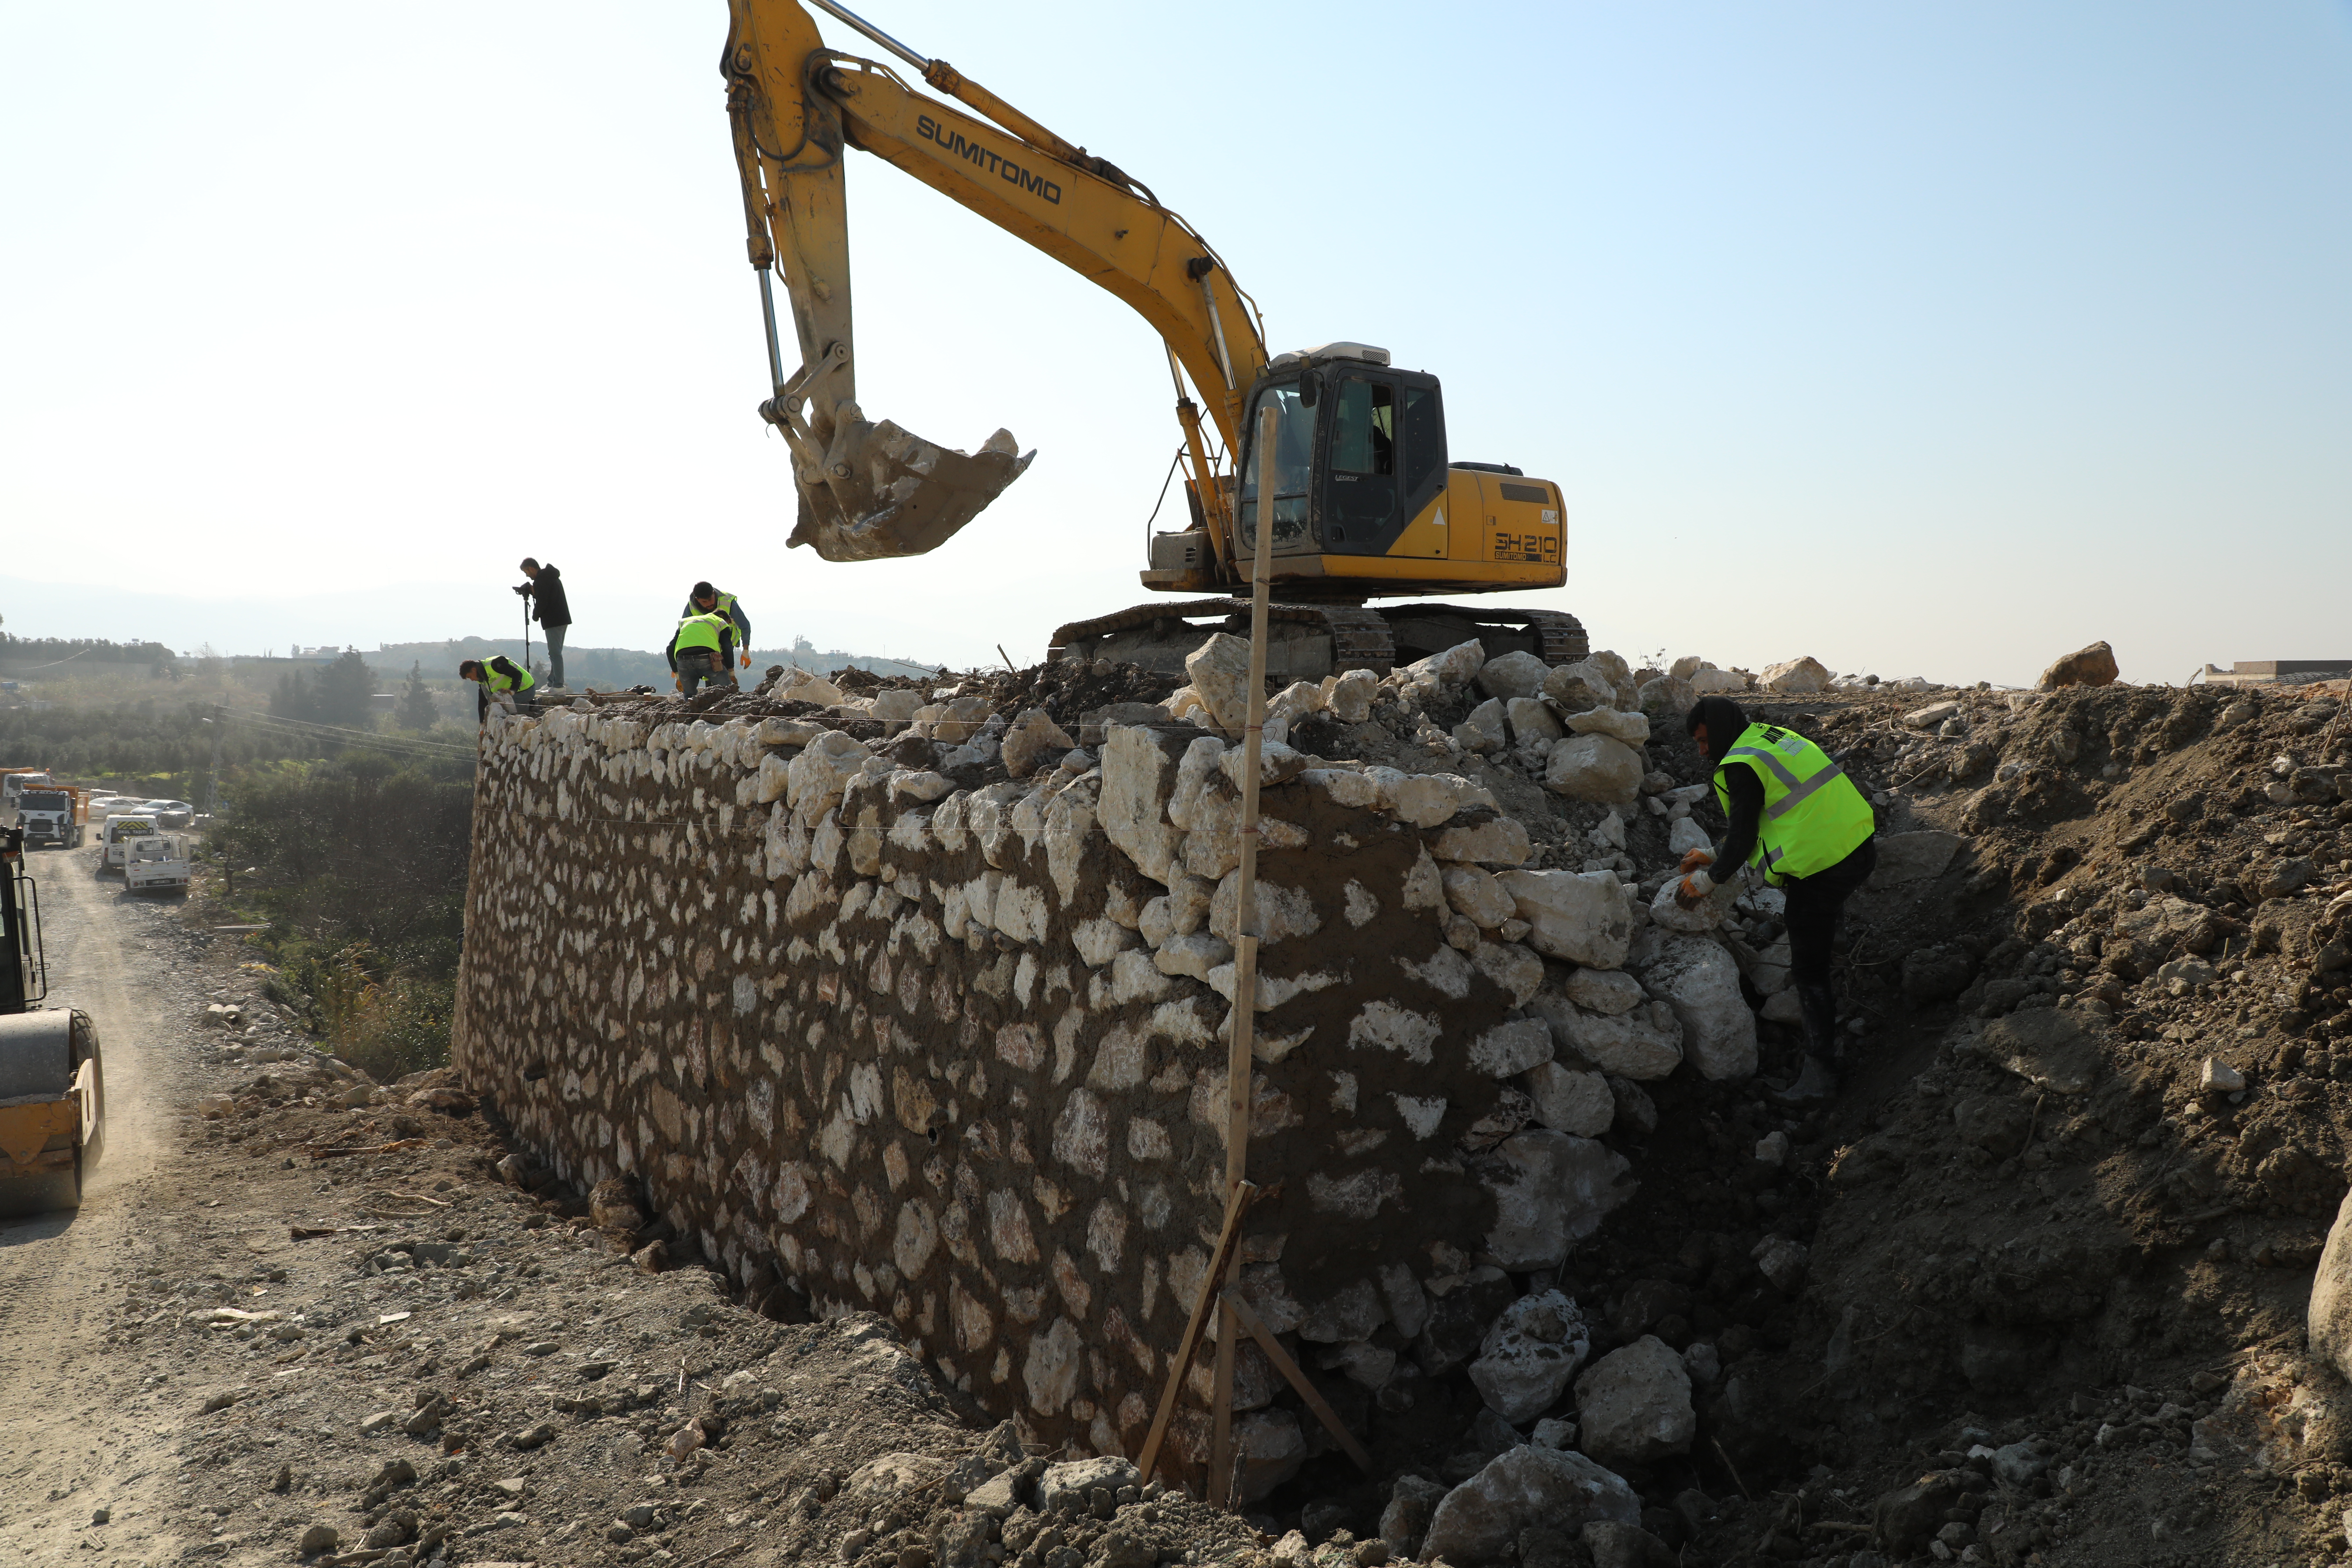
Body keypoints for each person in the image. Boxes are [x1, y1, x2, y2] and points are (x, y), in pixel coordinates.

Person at [1677, 694, 1876, 1099]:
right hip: (1858, 846)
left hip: (1823, 868)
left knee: (1808, 971)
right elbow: (1770, 814)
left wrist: (1707, 881)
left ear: (1718, 730)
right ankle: (1836, 946)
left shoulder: (1740, 765)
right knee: (1822, 921)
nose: (1702, 752)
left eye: (1703, 741)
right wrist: (1714, 851)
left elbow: (1745, 836)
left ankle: (1820, 1076)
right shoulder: (1770, 738)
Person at [518, 559, 572, 689]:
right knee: (556, 653)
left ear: (531, 568)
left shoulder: (542, 580)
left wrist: (535, 616)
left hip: (553, 620)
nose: (527, 576)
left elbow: (543, 601)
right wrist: (534, 591)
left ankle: (558, 686)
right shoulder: (550, 577)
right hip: (561, 619)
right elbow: (547, 596)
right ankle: (552, 682)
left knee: (555, 654)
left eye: (526, 572)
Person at [679, 582, 752, 675]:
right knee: (711, 676)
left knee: (726, 676)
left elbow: (745, 626)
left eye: (710, 599)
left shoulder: (728, 601)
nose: (709, 604)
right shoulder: (691, 608)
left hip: (727, 645)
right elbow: (684, 631)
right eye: (704, 602)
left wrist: (746, 650)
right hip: (705, 647)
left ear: (713, 593)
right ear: (698, 600)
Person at [667, 608, 737, 698]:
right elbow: (727, 647)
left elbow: (670, 649)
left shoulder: (686, 622)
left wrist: (678, 677)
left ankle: (690, 711)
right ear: (725, 619)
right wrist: (731, 674)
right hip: (708, 658)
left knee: (689, 696)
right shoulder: (721, 622)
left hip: (683, 660)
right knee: (727, 691)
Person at [459, 655, 538, 720]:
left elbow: (518, 674)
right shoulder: (482, 680)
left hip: (527, 689)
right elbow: (482, 701)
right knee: (495, 706)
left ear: (474, 670)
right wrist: (482, 724)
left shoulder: (495, 664)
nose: (472, 680)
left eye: (470, 677)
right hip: (514, 694)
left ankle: (533, 704)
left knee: (504, 709)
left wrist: (512, 691)